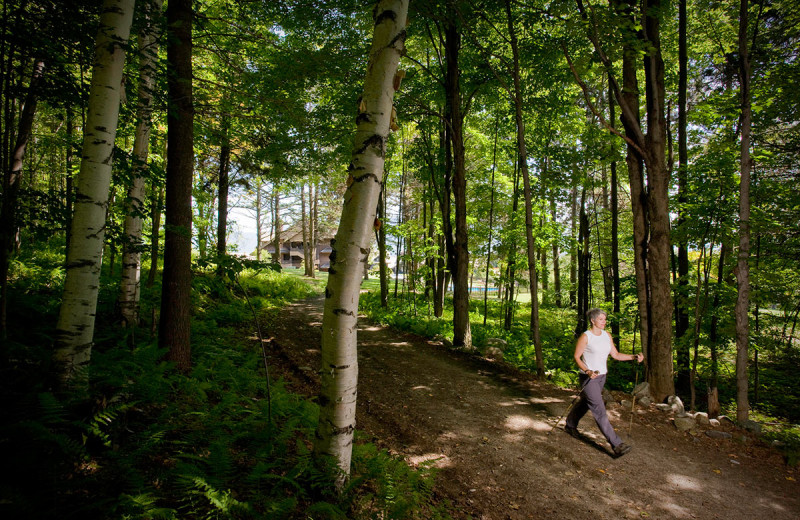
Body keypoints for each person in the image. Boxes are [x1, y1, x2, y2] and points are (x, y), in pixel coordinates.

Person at [565, 308, 643, 457]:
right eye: (601, 319)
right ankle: (617, 444)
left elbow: (616, 354)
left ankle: (570, 424)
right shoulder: (586, 337)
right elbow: (576, 357)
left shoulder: (607, 335)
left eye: (605, 319)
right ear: (593, 320)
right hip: (589, 378)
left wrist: (634, 357)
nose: (604, 322)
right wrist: (588, 371)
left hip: (602, 377)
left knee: (587, 403)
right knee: (599, 409)